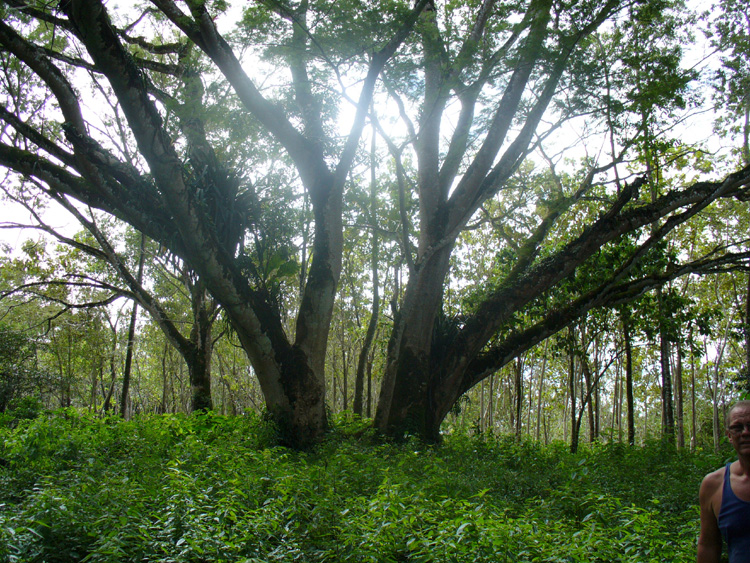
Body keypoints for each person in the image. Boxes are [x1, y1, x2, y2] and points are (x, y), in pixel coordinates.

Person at [697, 400, 750, 563]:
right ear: (729, 436)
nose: (745, 432)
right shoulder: (714, 485)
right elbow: (709, 546)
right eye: (737, 427)